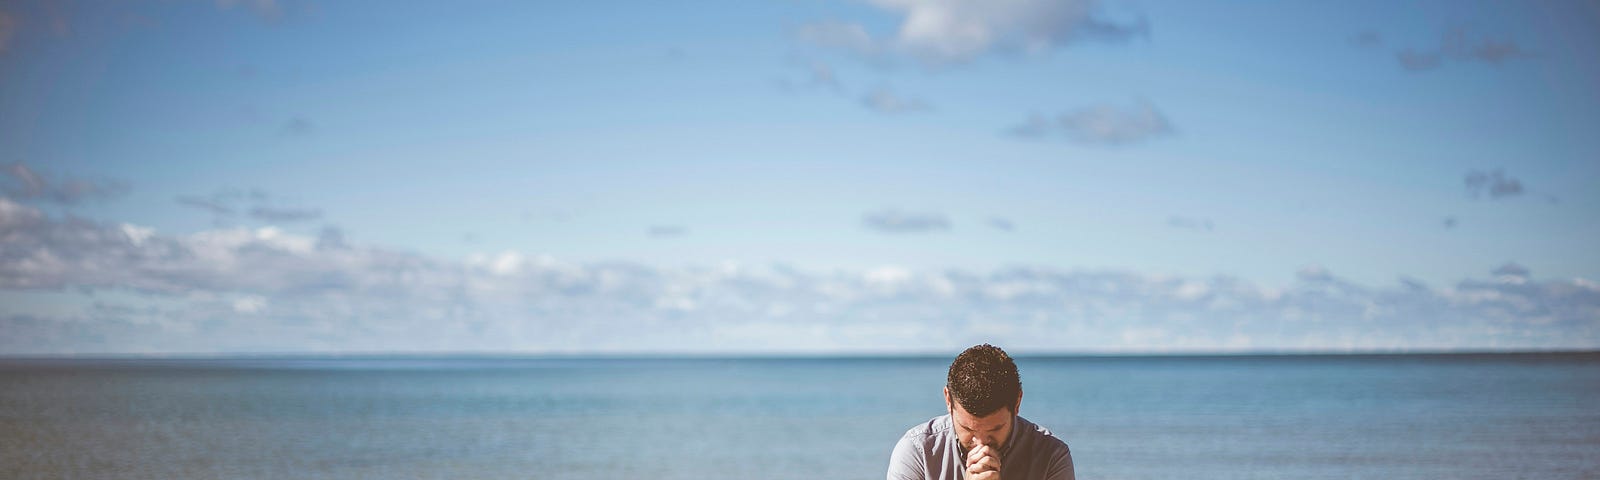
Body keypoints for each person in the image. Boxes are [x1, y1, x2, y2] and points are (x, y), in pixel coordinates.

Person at [887, 344, 1074, 480]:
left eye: (995, 429)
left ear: (1017, 403)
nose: (982, 444)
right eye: (968, 429)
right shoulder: (918, 452)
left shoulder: (1051, 456)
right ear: (948, 400)